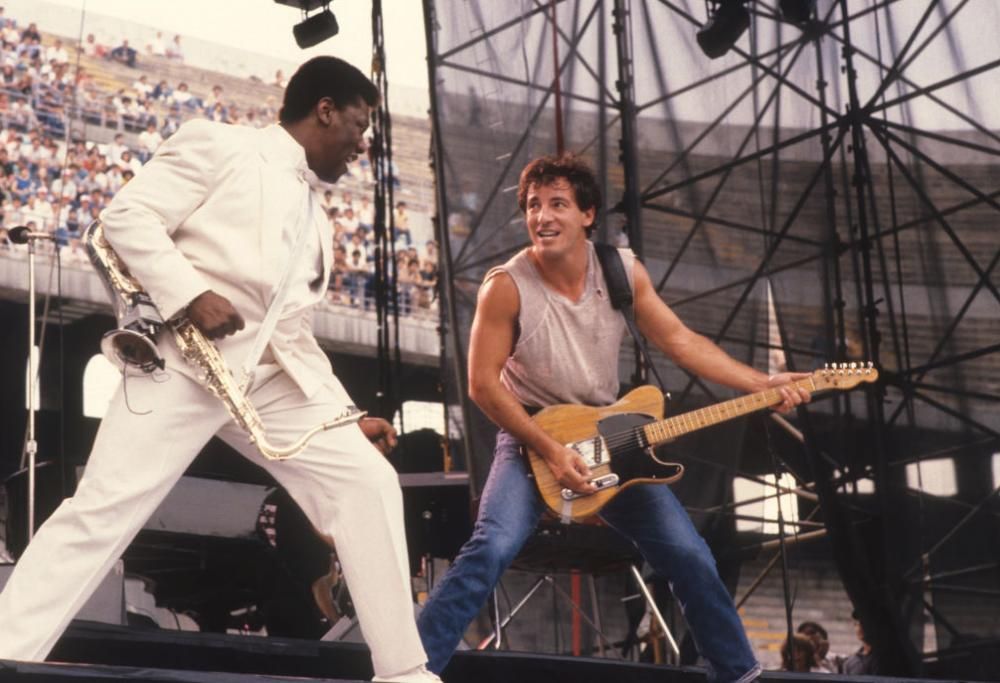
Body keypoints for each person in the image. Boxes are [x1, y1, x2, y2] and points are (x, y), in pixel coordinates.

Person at [0, 56, 438, 683]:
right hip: (177, 364)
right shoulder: (221, 144)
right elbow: (125, 218)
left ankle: (404, 672)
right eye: (360, 126)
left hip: (267, 382)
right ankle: (5, 647)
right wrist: (188, 295)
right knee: (104, 510)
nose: (361, 146)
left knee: (367, 483)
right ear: (325, 110)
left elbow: (290, 331)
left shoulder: (319, 219)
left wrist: (342, 414)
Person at [416, 153, 812, 682]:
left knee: (690, 555)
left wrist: (763, 384)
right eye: (533, 206)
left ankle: (738, 673)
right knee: (491, 547)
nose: (542, 216)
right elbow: (483, 386)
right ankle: (409, 670)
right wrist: (552, 451)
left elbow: (680, 341)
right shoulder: (505, 286)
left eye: (558, 203)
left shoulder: (620, 271)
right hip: (532, 439)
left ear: (588, 214)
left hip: (607, 436)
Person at [842, 611, 879, 675]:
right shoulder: (850, 662)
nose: (859, 628)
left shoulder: (883, 657)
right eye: (856, 624)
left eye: (863, 623)